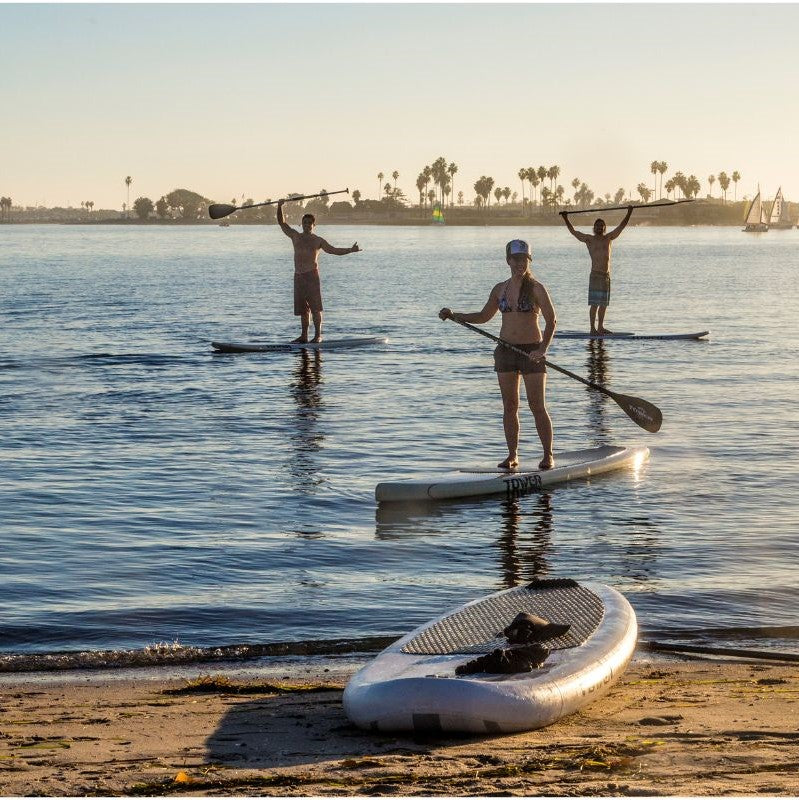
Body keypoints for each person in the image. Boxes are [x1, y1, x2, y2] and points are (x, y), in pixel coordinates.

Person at [439, 239, 557, 471]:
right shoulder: (499, 289)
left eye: (524, 259)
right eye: (516, 259)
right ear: (508, 260)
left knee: (537, 406)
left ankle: (548, 455)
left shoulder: (536, 288)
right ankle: (512, 455)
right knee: (510, 406)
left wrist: (542, 349)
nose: (520, 264)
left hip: (531, 351)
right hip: (505, 351)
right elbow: (483, 316)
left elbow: (551, 320)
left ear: (529, 261)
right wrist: (455, 315)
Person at [277, 199, 361, 343]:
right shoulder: (295, 236)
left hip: (311, 276)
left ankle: (317, 336)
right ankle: (304, 336)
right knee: (303, 310)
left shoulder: (318, 240)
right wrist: (280, 206)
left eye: (309, 223)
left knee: (315, 308)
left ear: (313, 225)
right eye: (305, 223)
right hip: (298, 277)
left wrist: (350, 250)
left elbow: (333, 250)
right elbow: (282, 223)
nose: (307, 225)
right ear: (301, 224)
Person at [559, 206, 633, 335]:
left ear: (604, 228)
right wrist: (566, 218)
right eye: (597, 226)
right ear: (594, 228)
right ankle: (592, 328)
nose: (599, 228)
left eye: (601, 226)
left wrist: (629, 212)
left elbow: (622, 226)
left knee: (603, 304)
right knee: (595, 304)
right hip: (595, 275)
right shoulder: (589, 239)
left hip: (606, 276)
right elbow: (574, 232)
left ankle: (600, 327)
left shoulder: (609, 238)